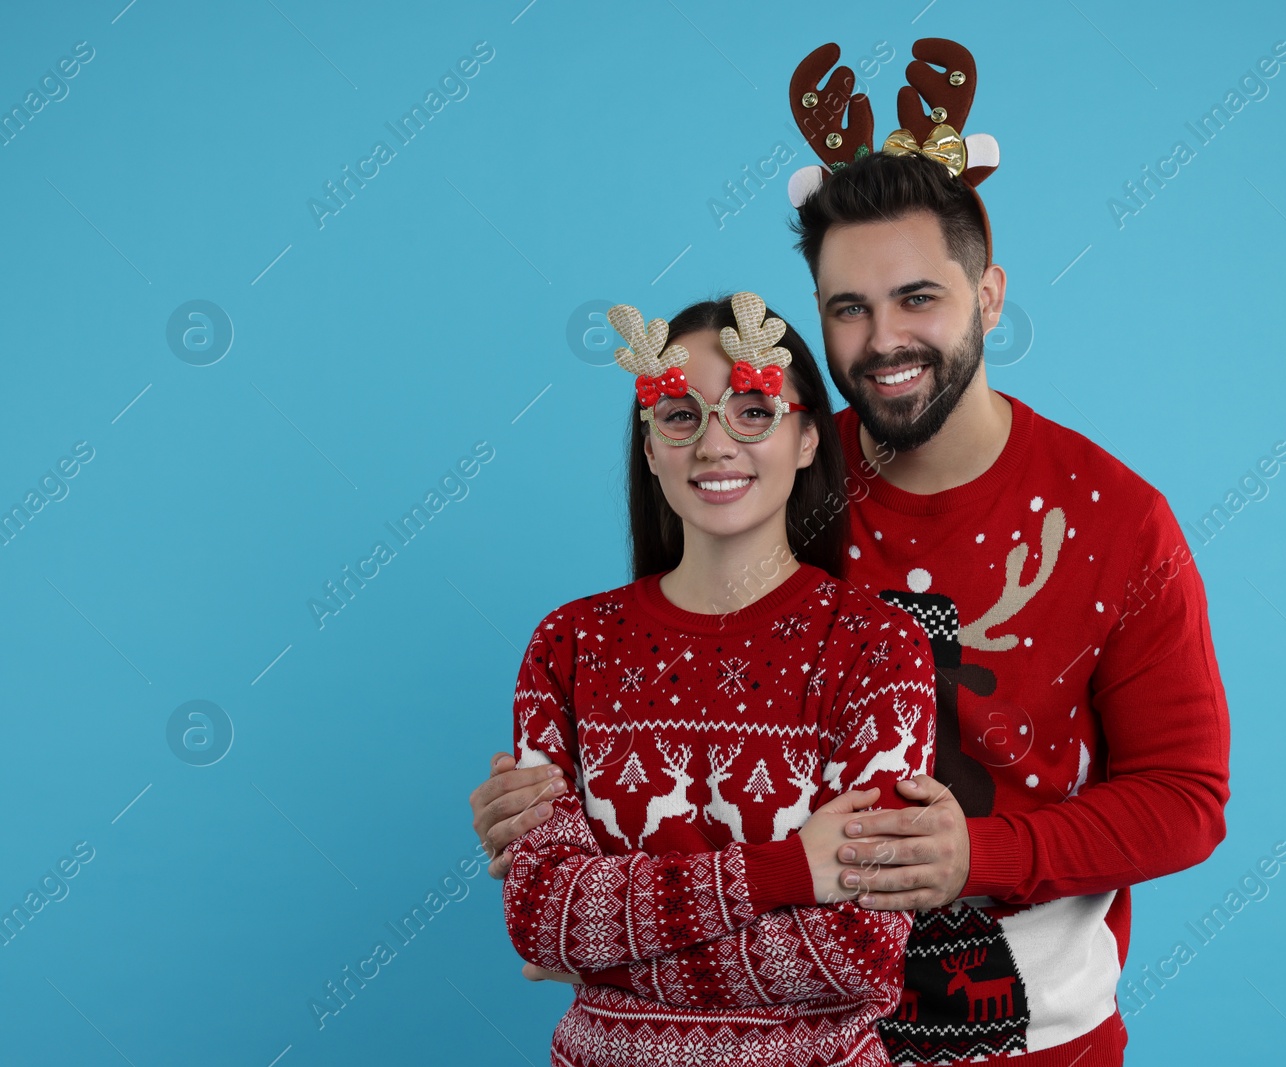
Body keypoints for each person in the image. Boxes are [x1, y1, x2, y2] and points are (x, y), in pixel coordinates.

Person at [474, 38, 1231, 1067]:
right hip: (775, 1038)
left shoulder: (1115, 517)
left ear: (990, 295)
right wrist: (555, 809)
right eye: (847, 307)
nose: (883, 339)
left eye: (919, 297)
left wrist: (983, 850)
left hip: (1025, 1037)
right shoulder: (763, 474)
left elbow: (1185, 797)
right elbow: (664, 711)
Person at [499, 291, 938, 1067]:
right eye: (679, 415)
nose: (714, 444)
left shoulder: (879, 651)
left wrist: (611, 953)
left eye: (751, 411)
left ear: (806, 438)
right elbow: (541, 917)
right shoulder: (569, 646)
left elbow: (859, 949)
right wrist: (786, 869)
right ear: (648, 444)